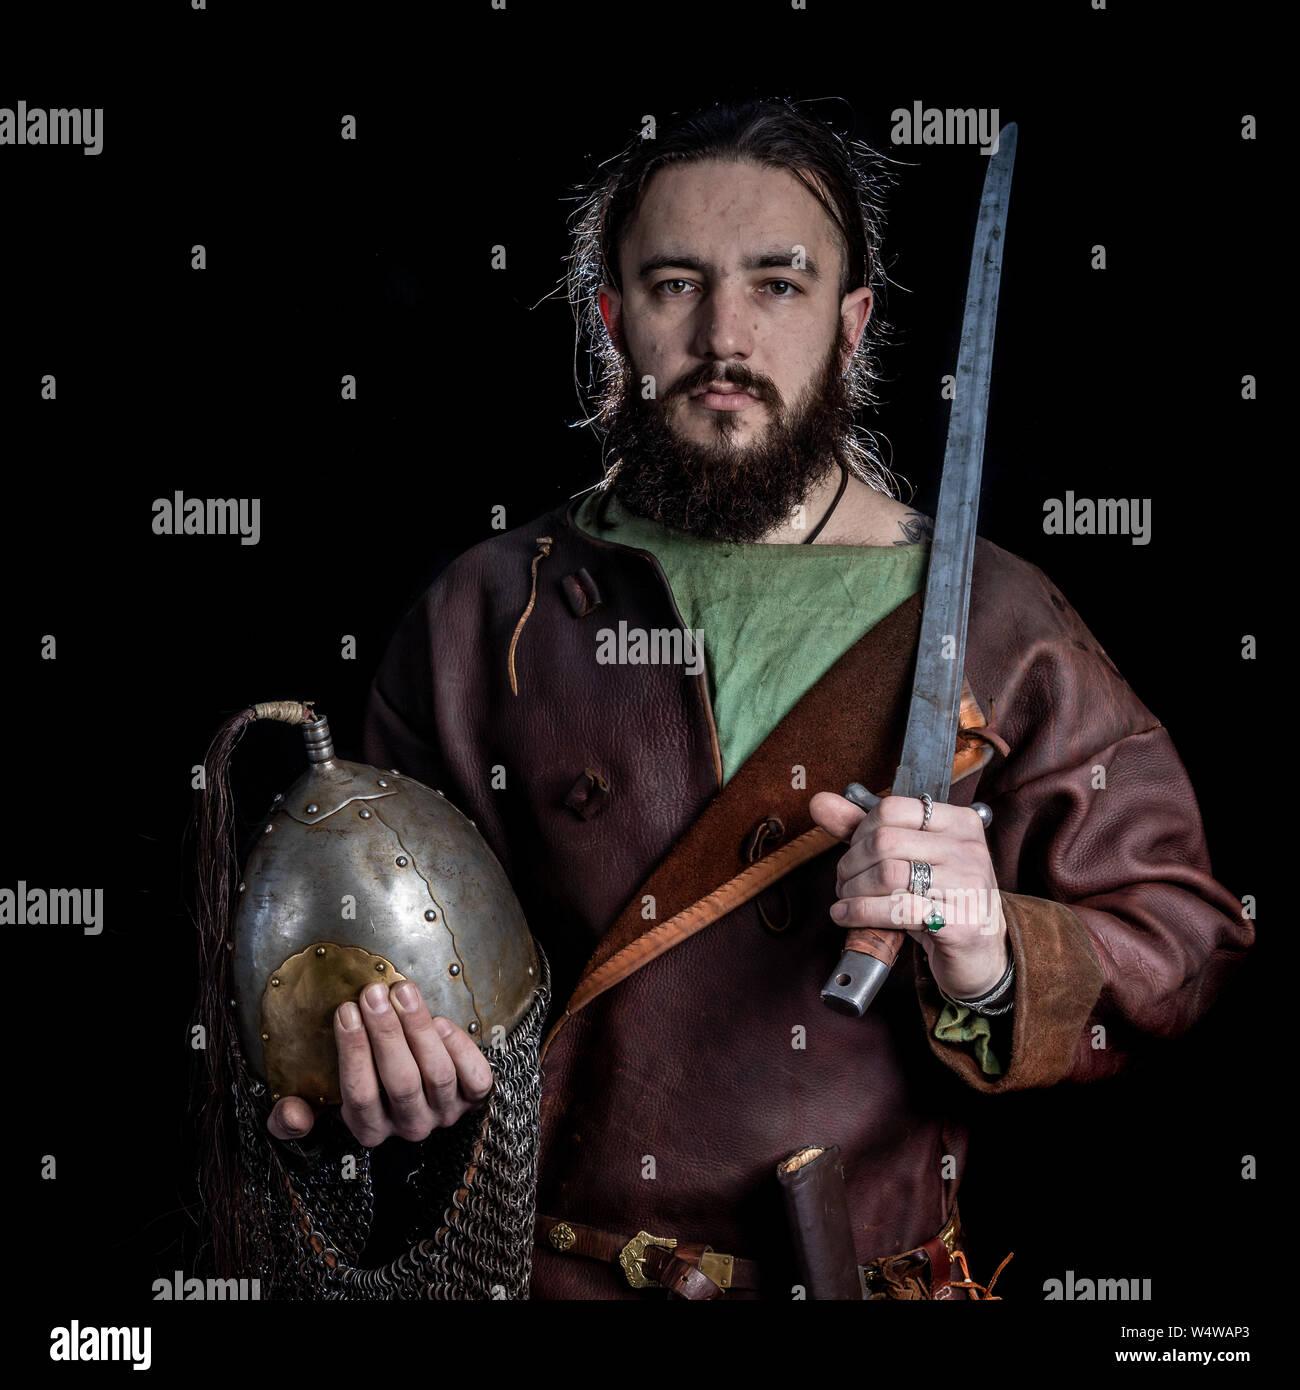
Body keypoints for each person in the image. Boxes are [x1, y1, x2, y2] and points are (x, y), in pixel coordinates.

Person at [266, 98, 1253, 1299]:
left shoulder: (996, 619)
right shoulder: (486, 615)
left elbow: (1185, 940)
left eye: (777, 285)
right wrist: (379, 1069)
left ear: (852, 326)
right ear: (611, 318)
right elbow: (386, 951)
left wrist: (992, 954)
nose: (724, 334)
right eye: (675, 283)